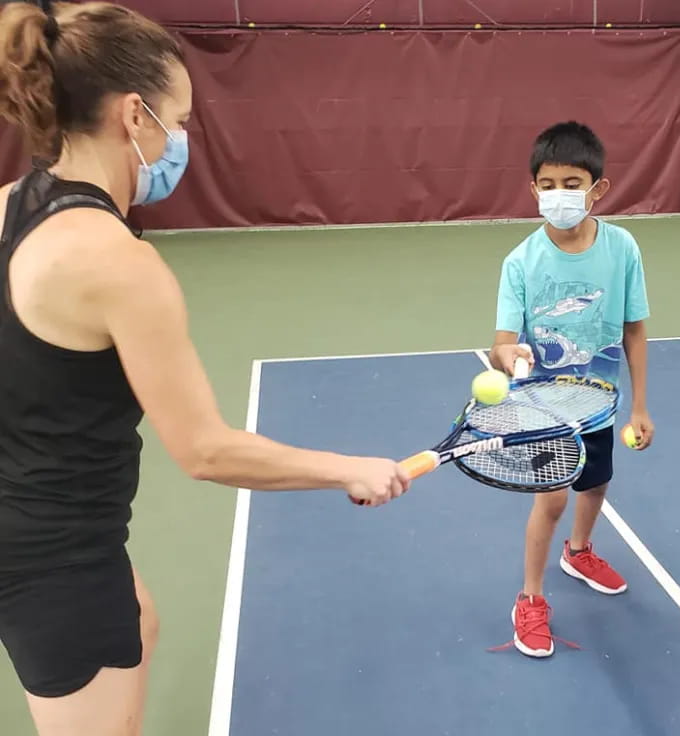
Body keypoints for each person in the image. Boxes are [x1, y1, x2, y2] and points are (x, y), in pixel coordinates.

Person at [0, 2, 409, 733]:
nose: (182, 140)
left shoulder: (9, 205)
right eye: (179, 121)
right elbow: (206, 451)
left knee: (141, 618)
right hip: (55, 560)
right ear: (135, 115)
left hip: (30, 521)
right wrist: (348, 468)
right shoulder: (118, 263)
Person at [488, 121, 654, 657]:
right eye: (549, 184)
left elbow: (634, 330)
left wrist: (640, 407)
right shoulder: (520, 262)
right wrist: (507, 355)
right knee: (552, 500)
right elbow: (501, 344)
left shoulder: (622, 248)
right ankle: (530, 597)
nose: (559, 194)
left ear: (597, 189)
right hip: (542, 407)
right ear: (534, 189)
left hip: (600, 405)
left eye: (572, 183)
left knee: (596, 484)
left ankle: (578, 552)